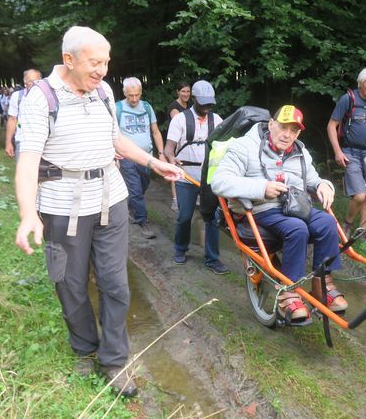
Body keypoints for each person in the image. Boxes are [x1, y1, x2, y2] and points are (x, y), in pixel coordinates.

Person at [14, 26, 182, 397]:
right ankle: (84, 348)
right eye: (95, 62)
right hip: (61, 208)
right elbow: (28, 160)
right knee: (70, 284)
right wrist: (28, 214)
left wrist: (153, 162)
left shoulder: (104, 91)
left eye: (106, 62)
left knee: (115, 283)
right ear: (69, 59)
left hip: (110, 200)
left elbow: (115, 139)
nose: (103, 70)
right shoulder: (40, 98)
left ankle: (114, 361)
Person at [212, 105, 348, 322]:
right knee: (297, 228)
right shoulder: (244, 146)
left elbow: (314, 180)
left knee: (327, 222)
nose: (287, 135)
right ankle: (289, 292)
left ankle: (322, 285)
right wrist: (262, 187)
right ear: (271, 124)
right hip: (260, 209)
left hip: (295, 207)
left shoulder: (300, 152)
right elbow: (219, 182)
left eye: (294, 130)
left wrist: (324, 185)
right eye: (283, 127)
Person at [164, 80, 227, 273]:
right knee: (184, 216)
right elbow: (168, 149)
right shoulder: (180, 119)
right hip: (186, 177)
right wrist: (172, 159)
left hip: (209, 179)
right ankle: (180, 248)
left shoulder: (217, 120)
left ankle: (212, 259)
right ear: (193, 99)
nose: (207, 107)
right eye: (203, 103)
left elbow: (224, 147)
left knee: (212, 218)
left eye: (210, 103)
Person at [326, 67, 366, 238]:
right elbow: (331, 126)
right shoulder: (348, 99)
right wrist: (337, 151)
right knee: (359, 195)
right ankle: (348, 223)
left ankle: (362, 233)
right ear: (360, 84)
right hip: (350, 152)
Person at [116, 76, 166, 239]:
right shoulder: (117, 108)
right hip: (127, 157)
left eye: (137, 95)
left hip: (146, 156)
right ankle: (143, 221)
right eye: (131, 95)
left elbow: (155, 132)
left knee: (143, 186)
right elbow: (111, 133)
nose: (134, 99)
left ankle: (132, 207)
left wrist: (161, 154)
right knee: (136, 189)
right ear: (124, 93)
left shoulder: (146, 107)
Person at [5, 69, 43, 161]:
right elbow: (12, 119)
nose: (34, 84)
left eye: (37, 81)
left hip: (43, 143)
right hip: (22, 142)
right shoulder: (17, 96)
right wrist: (8, 142)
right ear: (25, 82)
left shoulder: (47, 97)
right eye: (31, 81)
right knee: (22, 169)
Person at [166, 81, 192, 212]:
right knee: (175, 170)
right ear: (178, 92)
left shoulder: (190, 105)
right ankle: (175, 200)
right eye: (183, 91)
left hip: (188, 142)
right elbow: (180, 124)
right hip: (176, 143)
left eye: (188, 91)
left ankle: (192, 195)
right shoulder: (174, 107)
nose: (186, 94)